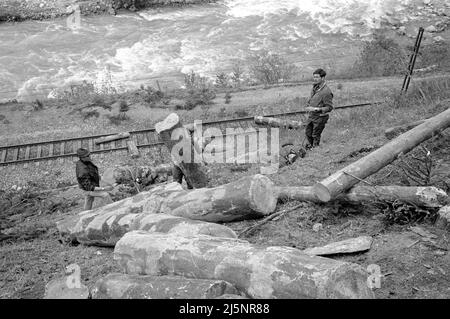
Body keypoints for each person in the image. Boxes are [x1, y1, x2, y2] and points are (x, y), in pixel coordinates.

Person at [304, 68, 334, 149]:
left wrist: (316, 109)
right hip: (311, 116)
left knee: (315, 135)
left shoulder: (326, 91)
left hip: (320, 117)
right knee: (308, 133)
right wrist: (308, 106)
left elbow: (329, 107)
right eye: (314, 77)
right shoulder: (315, 87)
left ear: (323, 78)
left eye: (317, 77)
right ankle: (310, 150)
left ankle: (315, 151)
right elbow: (311, 99)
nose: (315, 79)